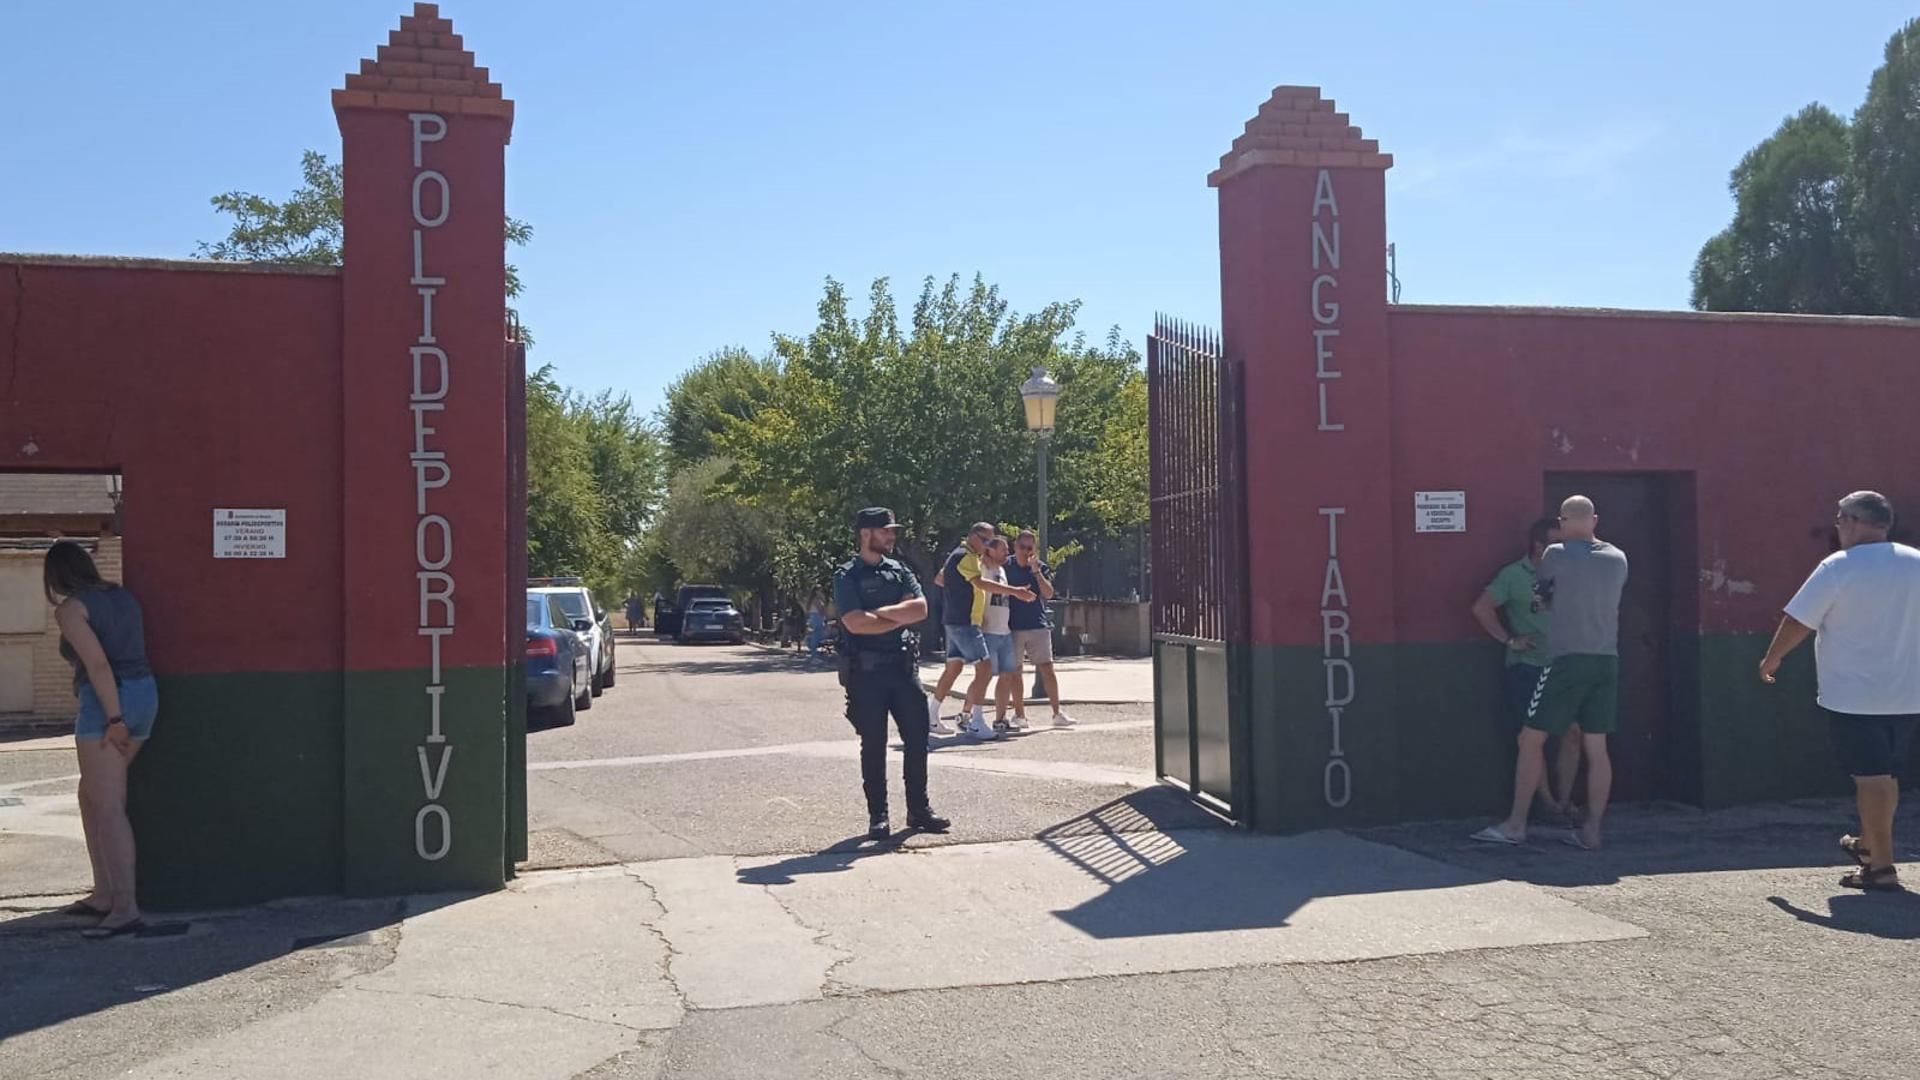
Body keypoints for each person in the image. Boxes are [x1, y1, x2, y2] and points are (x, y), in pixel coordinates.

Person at [1760, 490, 1920, 892]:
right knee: (1886, 776)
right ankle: (1869, 845)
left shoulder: (1838, 566)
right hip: (1907, 692)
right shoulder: (1916, 563)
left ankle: (1880, 867)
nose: (1838, 527)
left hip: (1853, 696)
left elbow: (1799, 619)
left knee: (1871, 779)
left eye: (1839, 519)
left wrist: (1772, 658)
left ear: (1852, 521)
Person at [1473, 496, 1627, 851]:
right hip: (1606, 658)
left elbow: (1544, 596)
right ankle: (1591, 831)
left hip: (1566, 658)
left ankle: (1516, 824)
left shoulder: (1555, 554)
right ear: (1594, 520)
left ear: (1563, 520)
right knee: (1597, 746)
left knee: (1530, 740)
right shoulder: (1618, 558)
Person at [45, 541, 158, 938]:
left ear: (54, 577)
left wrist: (114, 718)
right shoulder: (122, 597)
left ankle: (124, 906)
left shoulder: (71, 609)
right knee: (90, 794)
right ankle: (104, 893)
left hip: (109, 704)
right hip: (145, 694)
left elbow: (97, 664)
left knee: (109, 805)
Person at [834, 508, 951, 839]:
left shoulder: (899, 570)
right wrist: (897, 616)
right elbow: (853, 622)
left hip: (903, 669)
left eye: (892, 531)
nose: (892, 536)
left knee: (917, 739)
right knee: (874, 744)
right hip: (866, 673)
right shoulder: (847, 575)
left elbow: (921, 609)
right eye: (886, 531)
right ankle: (878, 816)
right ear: (866, 534)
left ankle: (919, 810)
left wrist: (877, 614)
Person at [1470, 517, 1578, 823]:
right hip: (1529, 667)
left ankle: (1565, 800)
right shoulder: (1514, 576)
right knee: (1533, 738)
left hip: (1566, 666)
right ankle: (1546, 804)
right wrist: (1510, 639)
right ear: (1539, 546)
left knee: (1573, 733)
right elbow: (1481, 608)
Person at [927, 523, 1033, 740]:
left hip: (957, 621)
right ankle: (975, 721)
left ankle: (930, 716)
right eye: (985, 541)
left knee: (953, 669)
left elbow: (947, 579)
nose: (987, 545)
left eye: (990, 541)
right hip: (965, 622)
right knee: (984, 667)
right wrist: (1015, 591)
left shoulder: (964, 556)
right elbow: (980, 583)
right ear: (972, 536)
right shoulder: (964, 556)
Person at [1002, 530, 1075, 728]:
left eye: (1029, 548)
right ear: (1015, 546)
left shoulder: (1040, 567)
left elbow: (1049, 594)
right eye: (1022, 547)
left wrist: (1036, 571)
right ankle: (1020, 715)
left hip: (1037, 625)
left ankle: (1057, 713)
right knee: (1016, 671)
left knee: (1047, 668)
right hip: (1012, 626)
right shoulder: (1005, 566)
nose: (1025, 551)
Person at [976, 537, 1025, 732]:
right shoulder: (981, 568)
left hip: (1004, 631)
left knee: (1007, 675)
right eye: (1003, 549)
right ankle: (969, 714)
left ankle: (1000, 718)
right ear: (991, 550)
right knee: (984, 676)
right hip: (988, 631)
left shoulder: (1002, 570)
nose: (1007, 552)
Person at [804, 592, 829, 659]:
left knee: (816, 634)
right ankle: (814, 654)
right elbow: (820, 609)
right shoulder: (816, 599)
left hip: (814, 616)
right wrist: (824, 615)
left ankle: (813, 652)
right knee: (817, 634)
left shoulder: (813, 599)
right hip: (817, 616)